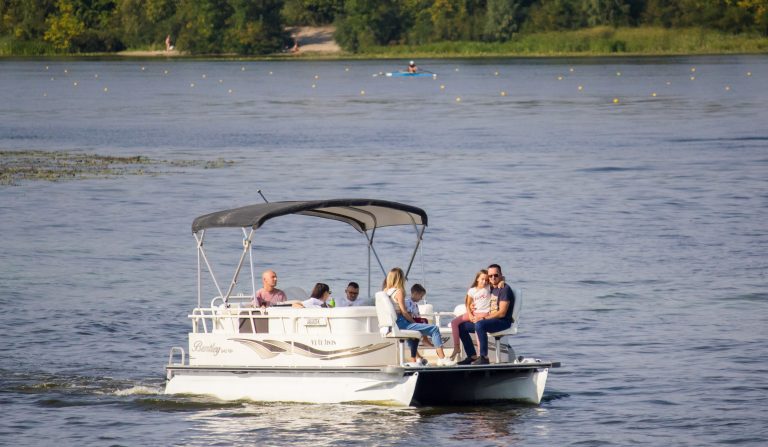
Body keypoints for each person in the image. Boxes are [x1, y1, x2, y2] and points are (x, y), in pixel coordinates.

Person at [383, 267, 455, 366]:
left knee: (416, 334)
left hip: (392, 325)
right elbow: (404, 312)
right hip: (401, 323)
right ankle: (442, 358)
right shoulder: (398, 291)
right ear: (400, 278)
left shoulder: (386, 292)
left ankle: (417, 358)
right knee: (434, 329)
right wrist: (413, 322)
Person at [457, 264, 515, 365]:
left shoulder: (504, 289)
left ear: (501, 275)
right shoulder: (491, 287)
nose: (493, 278)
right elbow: (478, 297)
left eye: (496, 275)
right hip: (490, 319)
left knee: (480, 324)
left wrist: (483, 318)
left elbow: (502, 313)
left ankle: (484, 357)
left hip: (503, 321)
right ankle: (472, 356)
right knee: (462, 327)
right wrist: (471, 306)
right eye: (490, 276)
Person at [449, 269, 492, 360]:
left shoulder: (488, 287)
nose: (484, 281)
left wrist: (502, 280)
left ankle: (482, 355)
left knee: (478, 327)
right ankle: (456, 347)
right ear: (477, 279)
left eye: (486, 280)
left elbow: (499, 280)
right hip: (473, 313)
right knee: (454, 323)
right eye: (482, 279)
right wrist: (470, 314)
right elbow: (467, 304)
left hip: (483, 313)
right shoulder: (472, 290)